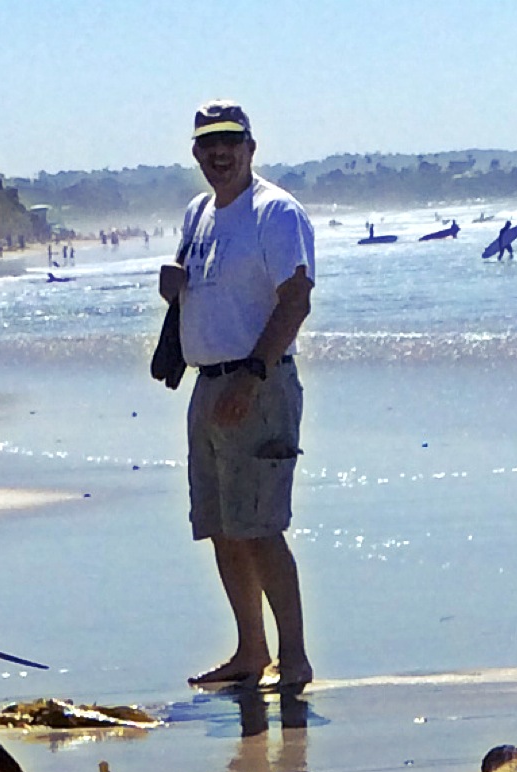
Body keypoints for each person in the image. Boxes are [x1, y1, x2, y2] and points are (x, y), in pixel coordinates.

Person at [160, 100, 315, 689]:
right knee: (223, 527)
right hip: (208, 385)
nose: (219, 152)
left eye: (230, 140)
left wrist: (252, 376)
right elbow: (201, 289)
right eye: (208, 143)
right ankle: (251, 651)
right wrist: (171, 288)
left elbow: (295, 300)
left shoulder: (275, 212)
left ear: (251, 146)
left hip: (260, 384)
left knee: (261, 528)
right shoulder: (198, 213)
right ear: (196, 152)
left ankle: (293, 659)